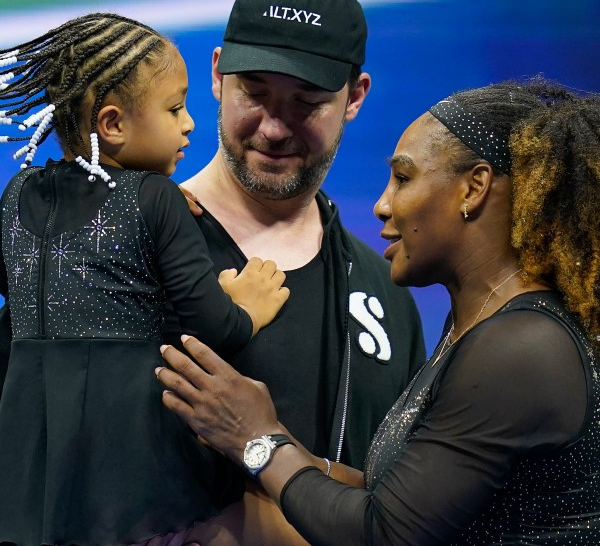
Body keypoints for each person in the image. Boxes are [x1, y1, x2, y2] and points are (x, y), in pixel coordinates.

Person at [157, 77, 600, 545]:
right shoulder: (481, 325)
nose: (382, 205)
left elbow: (385, 533)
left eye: (404, 178)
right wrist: (258, 441)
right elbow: (393, 498)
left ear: (474, 188)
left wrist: (257, 439)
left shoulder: (521, 346)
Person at [0, 13, 290, 545]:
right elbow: (214, 328)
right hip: (129, 468)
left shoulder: (17, 193)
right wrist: (246, 306)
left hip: (28, 469)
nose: (190, 124)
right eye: (175, 108)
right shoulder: (154, 198)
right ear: (112, 125)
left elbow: (15, 315)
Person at [164, 0, 425, 543]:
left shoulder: (387, 293)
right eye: (254, 94)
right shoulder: (119, 252)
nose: (275, 128)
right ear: (216, 75)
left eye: (307, 102)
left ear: (354, 98)